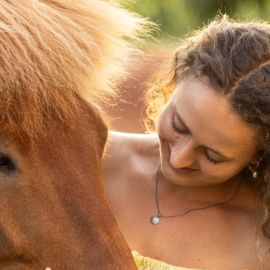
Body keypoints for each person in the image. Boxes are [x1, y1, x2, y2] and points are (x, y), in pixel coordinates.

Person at [102, 15, 270, 269]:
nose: (178, 158)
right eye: (178, 125)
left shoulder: (261, 243)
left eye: (213, 156)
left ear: (258, 155)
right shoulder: (93, 162)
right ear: (174, 84)